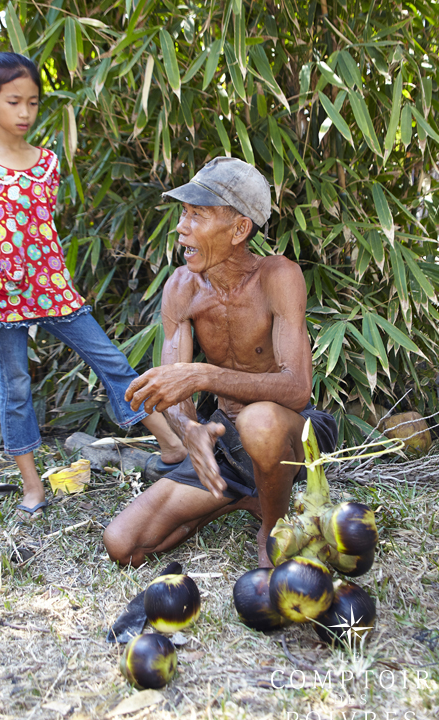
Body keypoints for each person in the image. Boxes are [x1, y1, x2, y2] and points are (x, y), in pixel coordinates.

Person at [0, 52, 185, 518]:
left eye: (33, 103)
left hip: (52, 287)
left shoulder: (46, 163)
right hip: (2, 298)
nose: (25, 113)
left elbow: (44, 227)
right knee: (17, 386)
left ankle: (173, 449)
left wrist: (41, 272)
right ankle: (32, 486)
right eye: (13, 101)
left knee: (111, 359)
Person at [103, 157, 338, 567]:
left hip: (292, 435)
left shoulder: (277, 276)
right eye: (183, 213)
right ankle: (243, 498)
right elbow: (175, 391)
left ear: (240, 229)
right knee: (124, 544)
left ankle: (273, 522)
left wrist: (204, 375)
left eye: (197, 215)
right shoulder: (180, 287)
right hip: (227, 445)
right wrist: (187, 427)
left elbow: (297, 387)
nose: (181, 227)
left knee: (259, 422)